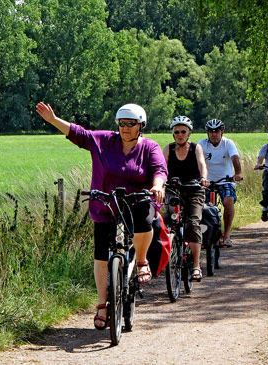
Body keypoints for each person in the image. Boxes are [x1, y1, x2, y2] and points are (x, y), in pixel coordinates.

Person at [36, 102, 167, 331]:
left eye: (131, 123)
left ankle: (142, 260)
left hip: (137, 201)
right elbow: (79, 134)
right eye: (121, 123)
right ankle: (102, 305)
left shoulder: (150, 147)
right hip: (106, 203)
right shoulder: (104, 141)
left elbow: (159, 170)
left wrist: (157, 186)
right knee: (101, 255)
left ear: (141, 125)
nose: (125, 128)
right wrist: (53, 120)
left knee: (145, 221)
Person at [163, 116, 209, 281]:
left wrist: (203, 178)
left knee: (192, 223)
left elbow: (202, 165)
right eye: (176, 132)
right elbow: (160, 168)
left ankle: (196, 266)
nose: (180, 135)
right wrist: (159, 183)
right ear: (173, 134)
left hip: (194, 190)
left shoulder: (195, 148)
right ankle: (160, 261)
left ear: (189, 133)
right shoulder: (168, 149)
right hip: (174, 191)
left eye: (183, 131)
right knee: (164, 220)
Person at [198, 119, 242, 248]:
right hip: (206, 181)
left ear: (222, 131)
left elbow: (235, 158)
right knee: (201, 206)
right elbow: (198, 161)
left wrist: (238, 173)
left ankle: (227, 235)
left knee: (228, 201)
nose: (214, 134)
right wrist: (200, 177)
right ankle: (203, 234)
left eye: (216, 131)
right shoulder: (202, 144)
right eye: (211, 131)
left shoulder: (228, 143)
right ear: (207, 133)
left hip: (225, 180)